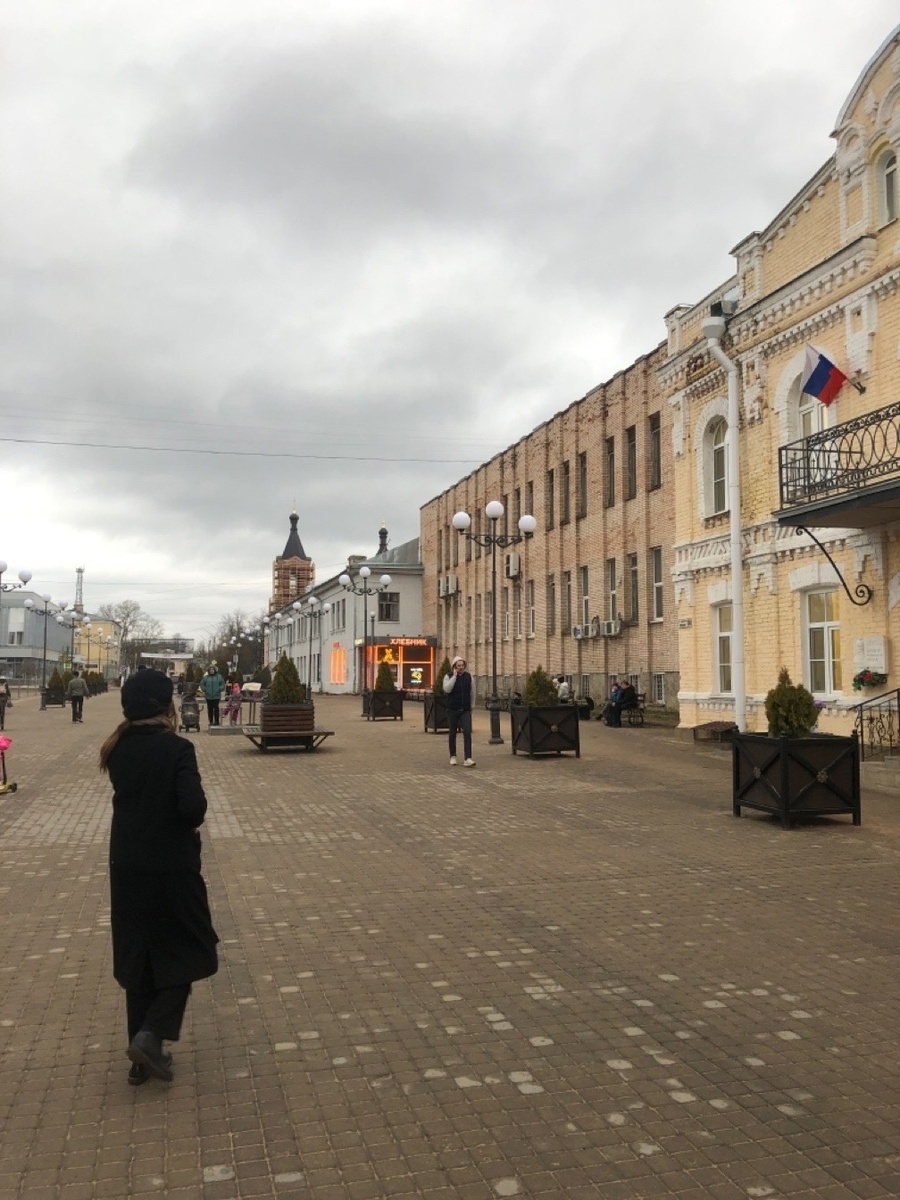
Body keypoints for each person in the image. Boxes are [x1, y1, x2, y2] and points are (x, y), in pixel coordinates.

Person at [99, 669, 218, 1086]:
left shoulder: (116, 748)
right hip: (171, 867)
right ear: (166, 705)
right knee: (191, 948)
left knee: (140, 960)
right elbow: (193, 809)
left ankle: (140, 1060)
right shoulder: (177, 749)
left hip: (126, 867)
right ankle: (151, 1037)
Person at [442, 655, 476, 767]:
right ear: (454, 667)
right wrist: (454, 677)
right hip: (452, 709)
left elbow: (472, 692)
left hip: (465, 709)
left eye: (462, 665)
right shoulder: (448, 676)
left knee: (467, 732)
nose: (461, 668)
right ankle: (453, 756)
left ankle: (468, 757)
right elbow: (447, 689)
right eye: (458, 666)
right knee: (452, 733)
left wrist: (472, 705)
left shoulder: (468, 677)